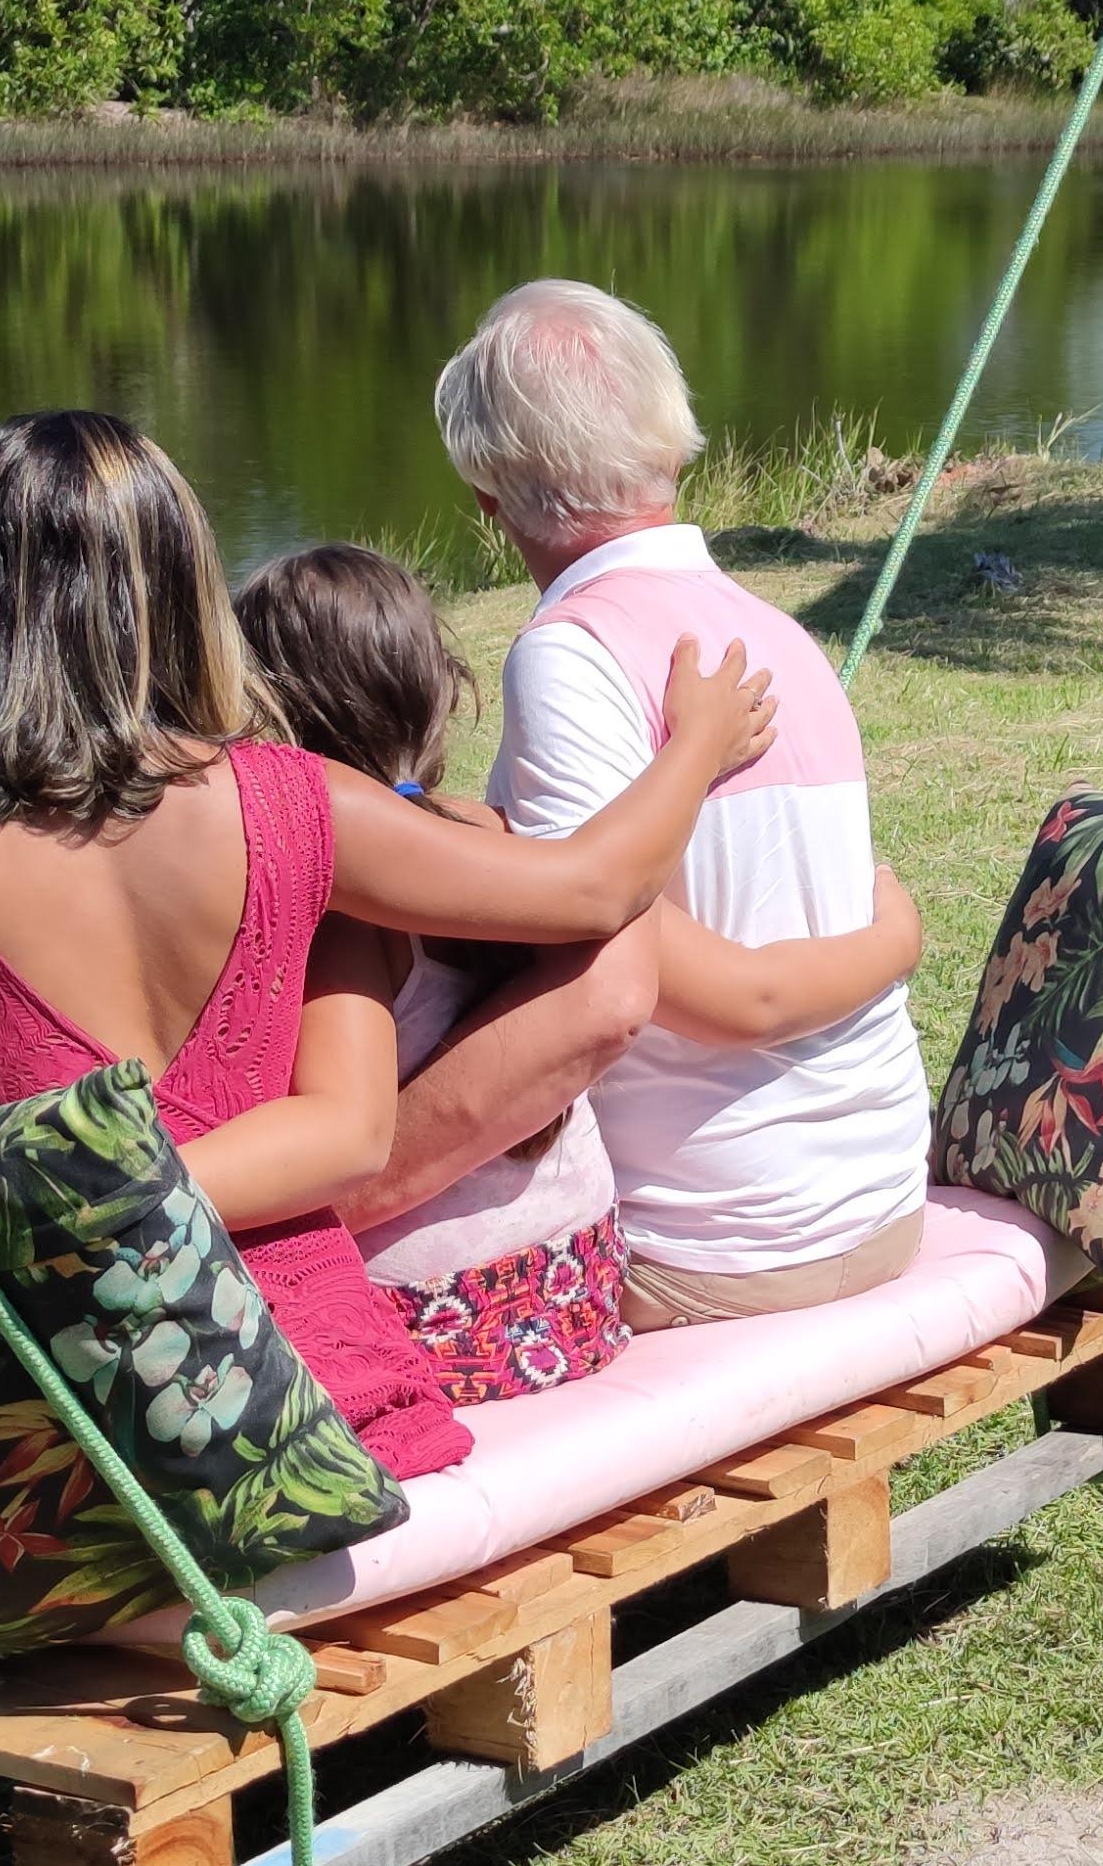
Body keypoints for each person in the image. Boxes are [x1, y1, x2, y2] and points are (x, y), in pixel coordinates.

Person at [0, 412, 778, 1482]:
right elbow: (592, 888)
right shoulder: (288, 803)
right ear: (183, 587)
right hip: (306, 1400)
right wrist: (694, 743)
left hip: (50, 1428)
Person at [229, 540, 923, 1400]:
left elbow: (345, 1139)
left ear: (263, 722)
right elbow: (616, 880)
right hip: (583, 1291)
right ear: (444, 691)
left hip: (442, 1325)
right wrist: (697, 746)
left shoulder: (340, 908)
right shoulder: (512, 842)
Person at [434, 280, 951, 1327]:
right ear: (668, 442)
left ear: (489, 502)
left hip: (719, 1239)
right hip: (879, 1197)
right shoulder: (771, 633)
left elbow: (623, 974)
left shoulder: (571, 653)